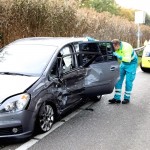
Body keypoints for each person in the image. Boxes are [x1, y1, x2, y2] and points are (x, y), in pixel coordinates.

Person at [109, 39, 138, 104]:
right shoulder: (117, 46)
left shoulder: (126, 47)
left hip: (131, 64)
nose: (113, 49)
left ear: (116, 45)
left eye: (113, 48)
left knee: (128, 81)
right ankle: (117, 98)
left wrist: (118, 55)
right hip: (123, 63)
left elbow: (128, 60)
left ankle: (126, 98)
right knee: (118, 80)